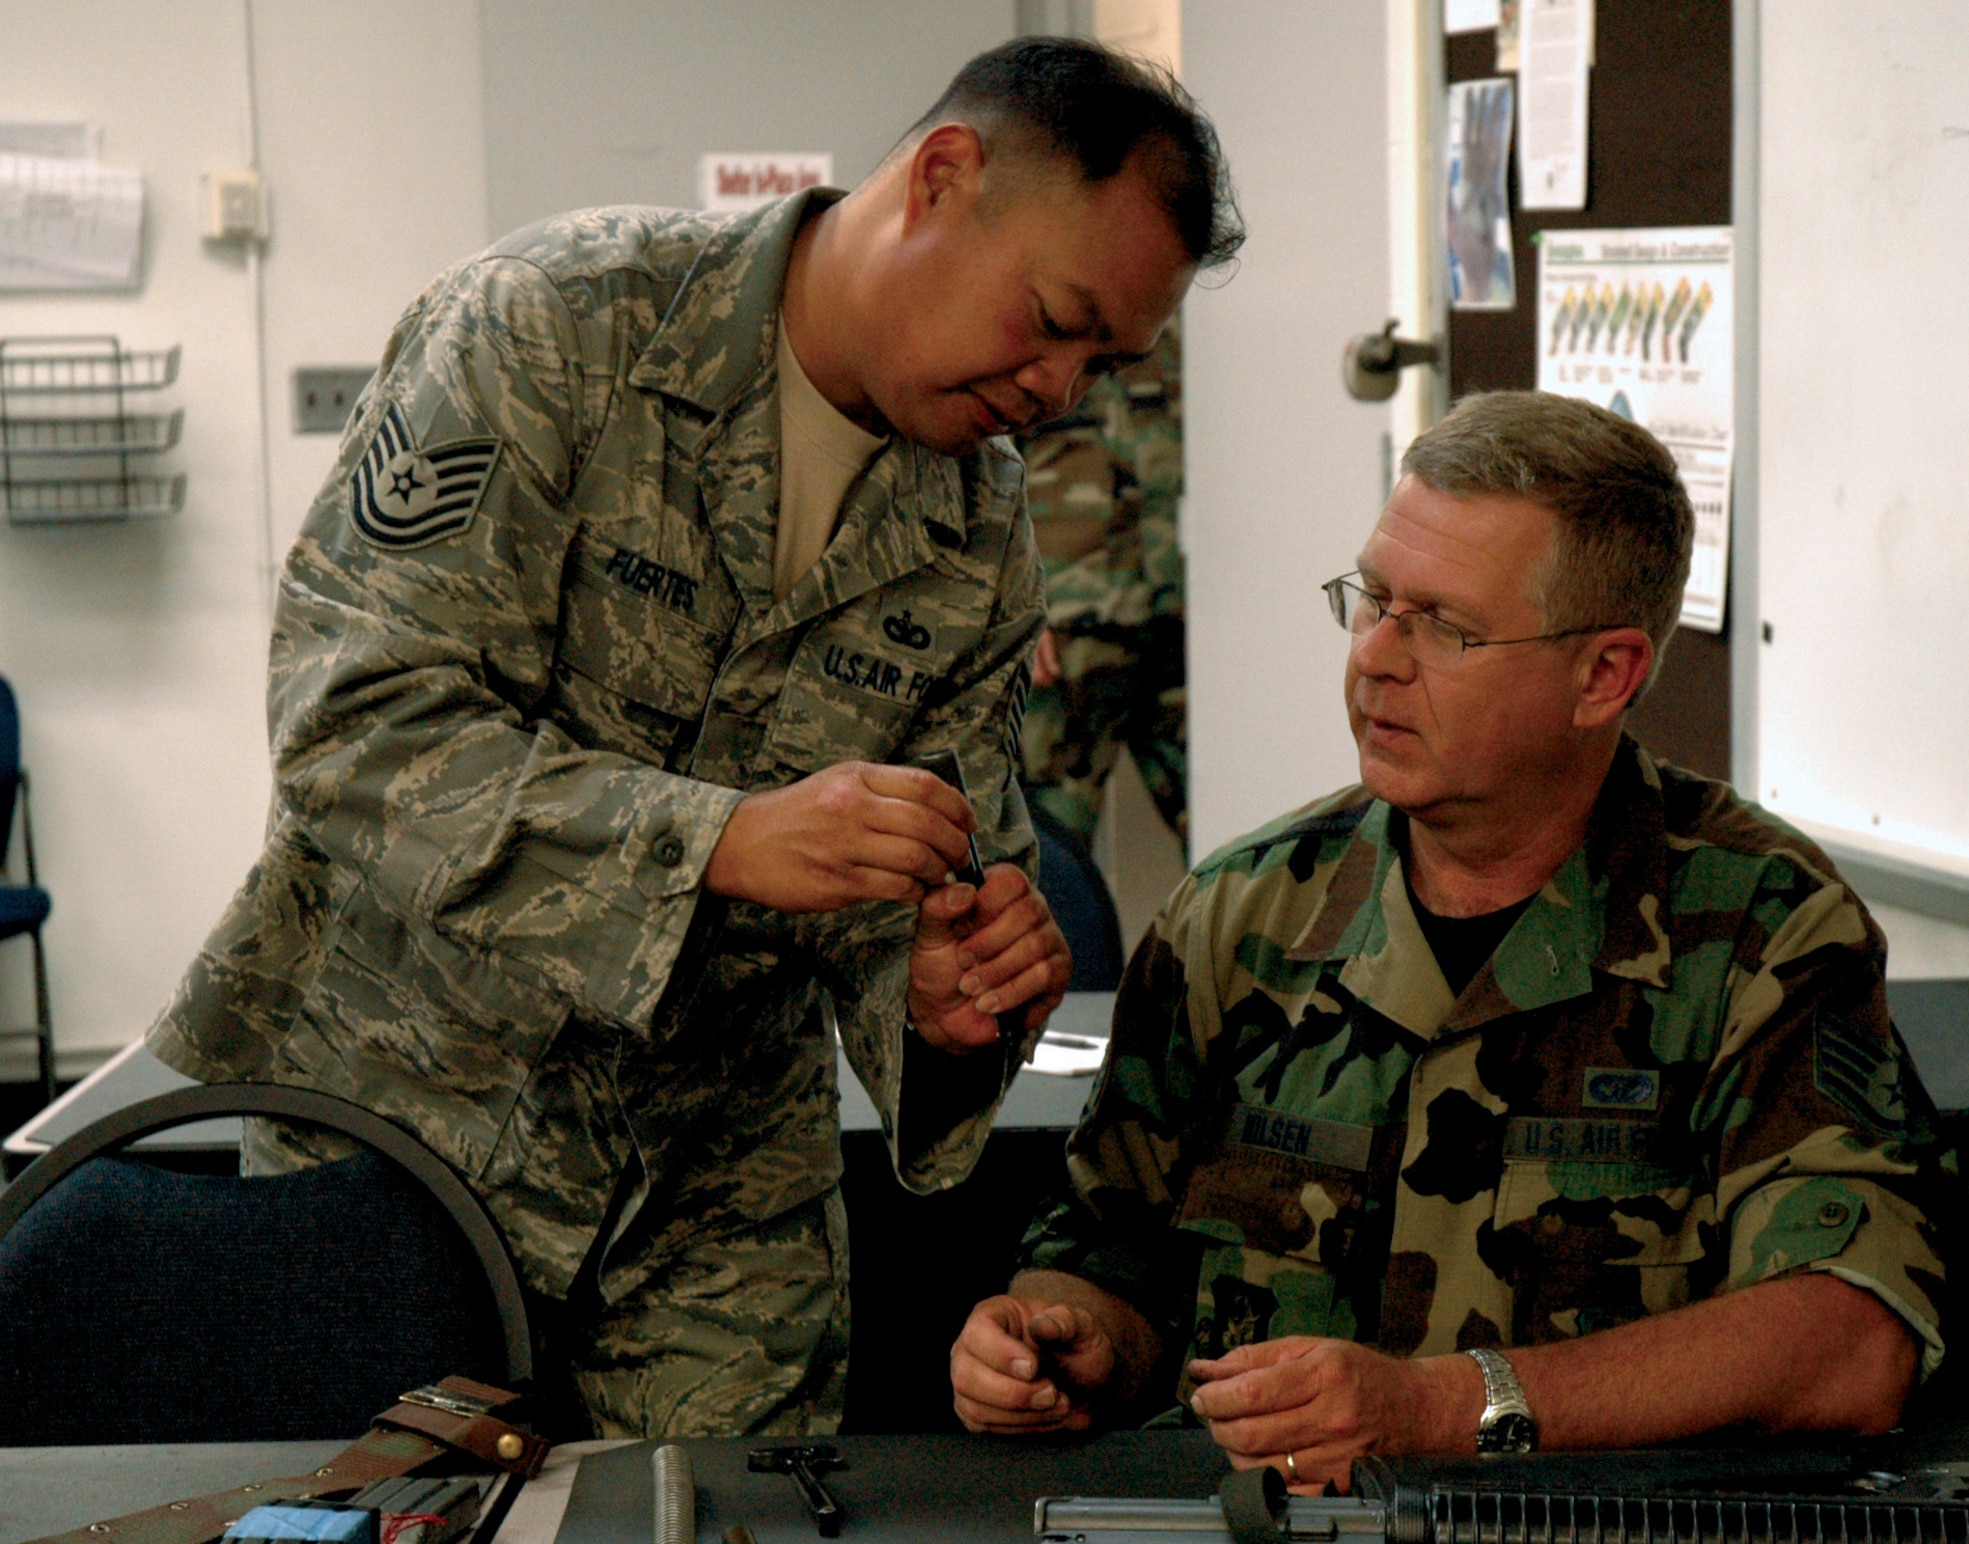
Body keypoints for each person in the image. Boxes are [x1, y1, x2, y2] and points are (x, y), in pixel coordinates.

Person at [147, 37, 1243, 1440]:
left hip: (718, 1210)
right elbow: (352, 721)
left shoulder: (976, 525)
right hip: (407, 1125)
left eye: (1109, 361)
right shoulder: (550, 329)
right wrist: (720, 839)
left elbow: (926, 891)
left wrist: (942, 991)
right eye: (1052, 316)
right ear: (942, 179)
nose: (1057, 388)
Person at [950, 391, 1948, 1489]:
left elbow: (1850, 1341)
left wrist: (1437, 1406)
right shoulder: (1243, 915)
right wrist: (1067, 1345)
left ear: (1603, 674)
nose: (1376, 656)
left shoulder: (1758, 933)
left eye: (1443, 625)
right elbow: (1113, 1252)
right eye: (1373, 600)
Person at [1017, 311, 1188, 854]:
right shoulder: (1029, 317)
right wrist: (1013, 605)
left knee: (1244, 839)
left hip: (1187, 622)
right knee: (1047, 858)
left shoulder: (1187, 322)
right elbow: (971, 472)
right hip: (1067, 631)